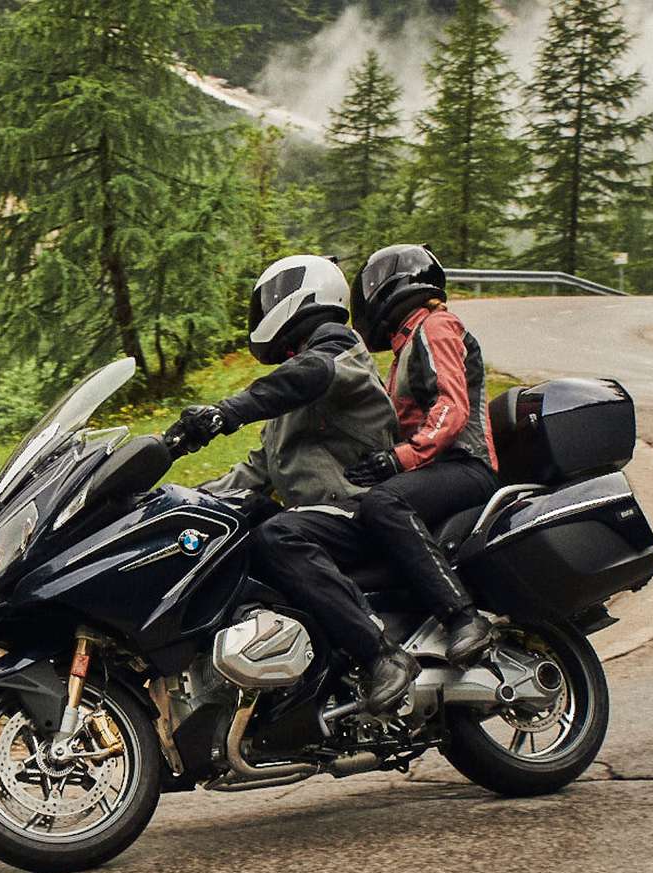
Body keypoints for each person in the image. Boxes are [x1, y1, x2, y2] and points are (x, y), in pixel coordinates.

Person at [164, 255, 421, 711]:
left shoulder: (337, 351)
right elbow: (255, 471)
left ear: (302, 295)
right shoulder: (295, 394)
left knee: (277, 534)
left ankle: (382, 655)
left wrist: (225, 413)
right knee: (235, 529)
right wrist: (179, 500)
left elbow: (307, 375)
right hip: (322, 521)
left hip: (360, 511)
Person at [344, 243, 498, 666]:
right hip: (439, 467)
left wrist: (400, 459)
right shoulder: (406, 346)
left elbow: (451, 407)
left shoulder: (435, 326)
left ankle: (463, 617)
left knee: (384, 502)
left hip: (466, 465)